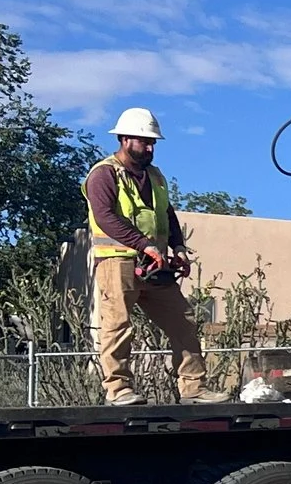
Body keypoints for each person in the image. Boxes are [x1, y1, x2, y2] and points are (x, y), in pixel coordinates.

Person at [83, 107, 208, 405]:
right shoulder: (104, 174)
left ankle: (194, 388)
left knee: (184, 321)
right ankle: (118, 389)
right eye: (144, 142)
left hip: (154, 263)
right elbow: (104, 217)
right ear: (125, 139)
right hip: (117, 261)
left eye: (153, 142)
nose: (151, 148)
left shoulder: (155, 176)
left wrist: (177, 247)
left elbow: (167, 213)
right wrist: (144, 245)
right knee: (117, 324)